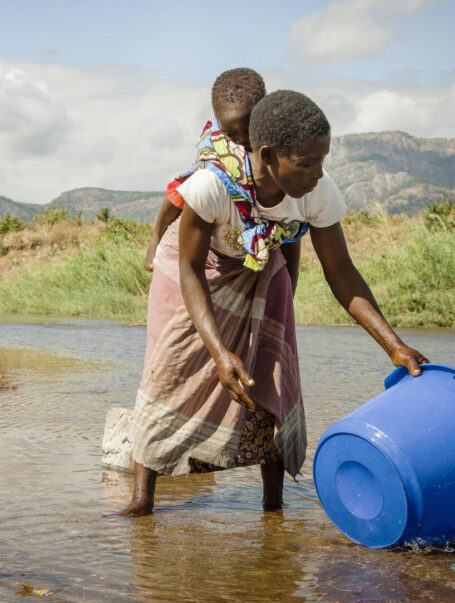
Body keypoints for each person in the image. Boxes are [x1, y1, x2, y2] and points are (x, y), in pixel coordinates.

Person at [117, 89, 428, 517]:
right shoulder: (212, 184)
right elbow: (189, 268)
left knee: (273, 371)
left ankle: (273, 507)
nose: (318, 173)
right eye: (306, 163)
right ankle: (142, 500)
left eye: (322, 160)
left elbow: (342, 274)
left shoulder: (316, 191)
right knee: (170, 368)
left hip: (262, 262)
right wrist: (220, 352)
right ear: (268, 154)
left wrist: (394, 347)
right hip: (200, 266)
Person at [144, 68, 267, 272]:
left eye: (248, 129)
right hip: (215, 173)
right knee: (187, 185)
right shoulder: (214, 147)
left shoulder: (271, 135)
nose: (242, 138)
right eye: (232, 132)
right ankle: (156, 236)